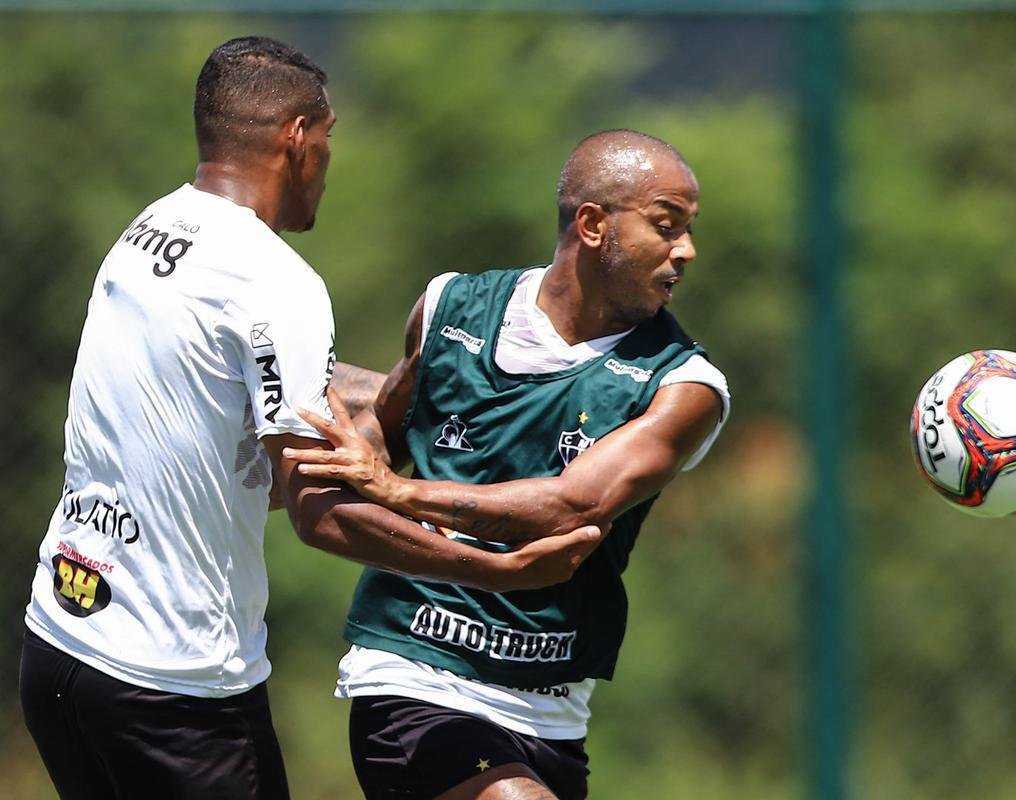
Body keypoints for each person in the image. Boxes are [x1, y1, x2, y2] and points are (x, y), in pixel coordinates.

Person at [19, 36, 597, 800]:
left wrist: (419, 386)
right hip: (174, 682)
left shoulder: (151, 231)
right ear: (297, 136)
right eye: (327, 139)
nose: (328, 161)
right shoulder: (276, 281)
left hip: (59, 647)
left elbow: (254, 403)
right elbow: (317, 513)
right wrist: (497, 571)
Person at [284, 129, 731, 800]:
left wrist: (396, 491)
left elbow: (569, 507)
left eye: (688, 230)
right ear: (592, 225)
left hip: (549, 713)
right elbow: (381, 435)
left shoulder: (683, 386)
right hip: (415, 677)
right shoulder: (449, 310)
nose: (685, 251)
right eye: (666, 227)